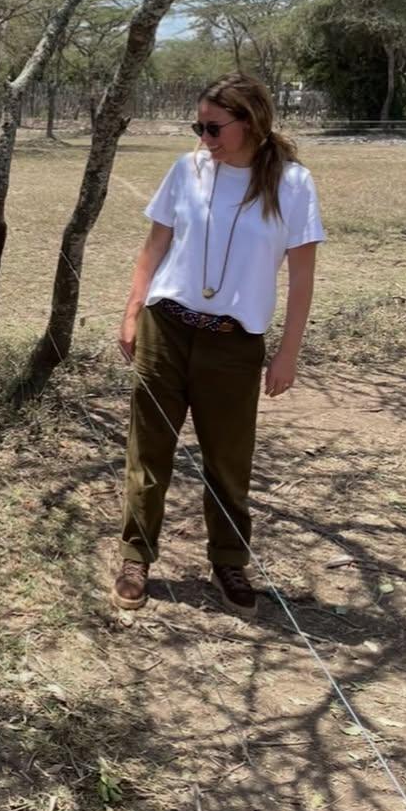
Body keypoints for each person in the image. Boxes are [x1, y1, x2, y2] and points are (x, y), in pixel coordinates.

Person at [113, 72, 324, 618]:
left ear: (249, 123)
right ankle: (136, 556)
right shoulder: (187, 170)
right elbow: (154, 245)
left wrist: (288, 352)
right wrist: (133, 311)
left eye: (213, 127)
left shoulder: (293, 185)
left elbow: (301, 277)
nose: (203, 138)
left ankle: (229, 559)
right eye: (198, 126)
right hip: (167, 328)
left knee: (228, 461)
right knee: (148, 450)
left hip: (234, 343)